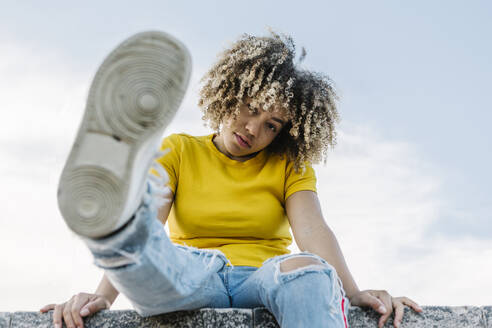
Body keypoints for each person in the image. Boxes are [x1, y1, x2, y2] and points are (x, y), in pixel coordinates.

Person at [40, 30, 422, 328]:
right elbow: (153, 224)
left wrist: (353, 294)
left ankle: (119, 232)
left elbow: (314, 230)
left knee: (312, 272)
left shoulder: (290, 164)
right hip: (196, 271)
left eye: (271, 125)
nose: (253, 129)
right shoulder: (179, 150)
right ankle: (113, 234)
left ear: (284, 134)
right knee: (149, 248)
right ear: (229, 93)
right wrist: (102, 298)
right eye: (250, 108)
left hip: (265, 277)